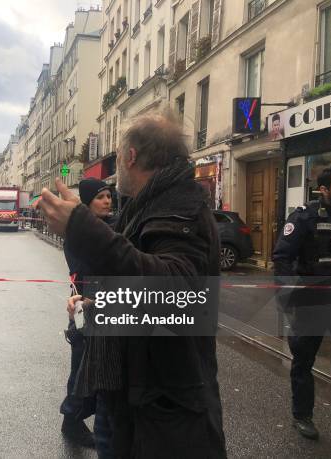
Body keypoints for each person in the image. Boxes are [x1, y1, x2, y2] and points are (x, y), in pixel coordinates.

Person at [38, 114, 226, 458]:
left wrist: (83, 227)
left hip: (163, 403)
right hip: (128, 392)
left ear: (130, 157)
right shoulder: (147, 204)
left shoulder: (179, 206)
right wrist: (101, 306)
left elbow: (176, 293)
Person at [273, 167, 331, 440]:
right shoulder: (303, 218)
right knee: (303, 360)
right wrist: (289, 296)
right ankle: (302, 415)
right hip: (311, 301)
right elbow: (282, 258)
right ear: (323, 189)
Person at [60, 178, 114, 455]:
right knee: (81, 366)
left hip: (107, 307)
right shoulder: (79, 233)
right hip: (84, 308)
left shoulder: (110, 228)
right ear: (87, 202)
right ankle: (71, 420)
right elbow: (81, 270)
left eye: (108, 196)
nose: (107, 201)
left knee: (95, 367)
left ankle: (75, 417)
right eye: (100, 197)